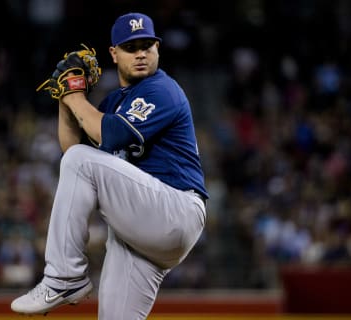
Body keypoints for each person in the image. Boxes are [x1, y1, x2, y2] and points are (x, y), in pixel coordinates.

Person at [10, 12, 208, 319]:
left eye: (147, 45)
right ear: (114, 54)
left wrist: (75, 94)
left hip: (175, 208)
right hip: (142, 228)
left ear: (158, 48)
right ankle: (66, 279)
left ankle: (64, 277)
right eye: (131, 47)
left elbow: (108, 135)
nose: (141, 53)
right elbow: (73, 152)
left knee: (80, 163)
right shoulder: (114, 103)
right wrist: (66, 97)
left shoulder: (162, 89)